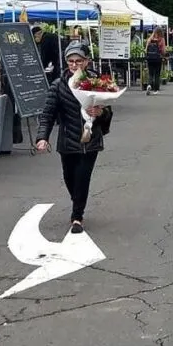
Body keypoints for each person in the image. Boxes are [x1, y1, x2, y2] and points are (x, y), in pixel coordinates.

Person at [36, 42, 113, 234]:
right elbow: (48, 114)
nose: (74, 65)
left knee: (82, 177)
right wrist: (42, 137)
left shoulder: (98, 84)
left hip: (90, 140)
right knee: (70, 178)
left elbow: (109, 114)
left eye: (79, 61)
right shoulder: (59, 85)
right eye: (70, 61)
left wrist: (100, 112)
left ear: (87, 62)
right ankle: (77, 201)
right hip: (67, 140)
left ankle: (77, 216)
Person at [144, 29, 166, 95]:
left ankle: (149, 85)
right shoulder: (162, 39)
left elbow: (146, 49)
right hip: (158, 58)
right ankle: (155, 90)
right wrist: (164, 55)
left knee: (150, 73)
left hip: (150, 58)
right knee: (157, 74)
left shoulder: (150, 39)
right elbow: (163, 50)